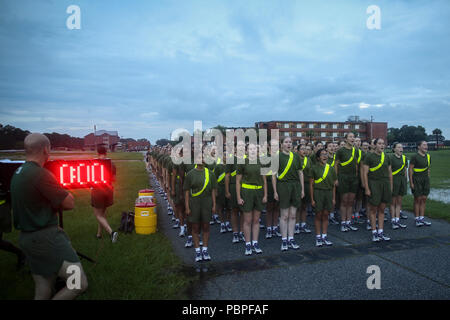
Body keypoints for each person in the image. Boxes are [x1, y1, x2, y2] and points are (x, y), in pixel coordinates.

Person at [11, 133, 88, 299]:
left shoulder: (18, 172)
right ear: (46, 149)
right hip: (47, 239)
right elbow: (69, 203)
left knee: (44, 284)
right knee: (78, 282)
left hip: (27, 239)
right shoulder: (40, 174)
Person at [184, 150, 217, 262]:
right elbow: (187, 192)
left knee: (206, 226)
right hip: (194, 203)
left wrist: (214, 205)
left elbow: (213, 190)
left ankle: (205, 250)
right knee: (195, 227)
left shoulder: (210, 174)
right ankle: (197, 251)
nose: (201, 159)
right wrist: (187, 207)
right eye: (199, 157)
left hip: (207, 202)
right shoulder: (190, 174)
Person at [272, 136, 304, 251]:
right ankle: (284, 240)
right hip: (283, 186)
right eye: (286, 142)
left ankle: (291, 238)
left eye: (290, 142)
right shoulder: (277, 156)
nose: (288, 144)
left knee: (293, 215)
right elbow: (273, 176)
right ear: (281, 144)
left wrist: (302, 189)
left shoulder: (296, 156)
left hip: (295, 186)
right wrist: (275, 191)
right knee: (284, 215)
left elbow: (300, 173)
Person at [236, 143, 267, 255]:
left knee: (256, 220)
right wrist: (239, 197)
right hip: (247, 192)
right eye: (250, 149)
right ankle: (248, 244)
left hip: (258, 192)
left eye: (255, 149)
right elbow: (238, 181)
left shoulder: (261, 162)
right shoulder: (242, 162)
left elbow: (264, 180)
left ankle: (255, 243)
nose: (253, 150)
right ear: (246, 151)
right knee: (247, 220)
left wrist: (265, 195)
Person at [362, 138, 392, 242]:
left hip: (385, 184)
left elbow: (389, 173)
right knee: (373, 209)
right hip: (373, 184)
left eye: (383, 143)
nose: (382, 145)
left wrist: (390, 186)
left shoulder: (387, 157)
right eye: (379, 143)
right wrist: (367, 188)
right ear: (374, 145)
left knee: (382, 209)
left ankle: (381, 231)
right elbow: (365, 173)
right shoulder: (369, 156)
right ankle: (374, 232)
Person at [91, 145, 118, 242]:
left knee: (98, 215)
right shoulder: (112, 163)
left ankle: (112, 233)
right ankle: (99, 234)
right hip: (109, 190)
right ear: (106, 152)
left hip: (97, 190)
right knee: (102, 213)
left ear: (97, 153)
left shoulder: (94, 163)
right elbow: (114, 179)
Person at [310, 149, 337, 246]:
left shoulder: (331, 168)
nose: (325, 156)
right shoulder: (314, 168)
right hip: (318, 192)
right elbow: (311, 185)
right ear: (318, 158)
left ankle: (324, 236)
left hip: (328, 193)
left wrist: (334, 198)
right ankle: (318, 237)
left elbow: (334, 185)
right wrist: (312, 199)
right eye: (322, 155)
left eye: (326, 154)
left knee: (326, 215)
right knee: (318, 215)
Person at [335, 133, 359, 232]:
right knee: (344, 201)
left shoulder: (356, 151)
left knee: (351, 201)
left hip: (353, 178)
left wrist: (356, 176)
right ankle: (343, 222)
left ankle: (349, 222)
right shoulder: (340, 151)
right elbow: (336, 165)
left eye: (353, 137)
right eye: (350, 137)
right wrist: (336, 178)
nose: (352, 139)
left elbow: (357, 165)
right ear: (345, 139)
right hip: (343, 177)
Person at [409, 141, 432, 227]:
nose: (426, 146)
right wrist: (411, 182)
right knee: (417, 199)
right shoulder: (414, 156)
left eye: (427, 145)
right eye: (424, 145)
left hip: (425, 180)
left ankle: (421, 218)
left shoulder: (428, 156)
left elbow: (428, 168)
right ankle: (417, 219)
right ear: (419, 147)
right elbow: (410, 169)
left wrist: (428, 178)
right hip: (417, 180)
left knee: (424, 199)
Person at [389, 143, 407, 229]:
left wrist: (405, 181)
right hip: (393, 181)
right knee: (393, 202)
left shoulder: (404, 158)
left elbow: (405, 170)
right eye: (399, 147)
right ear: (394, 149)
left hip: (401, 181)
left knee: (399, 202)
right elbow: (389, 171)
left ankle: (397, 220)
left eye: (402, 147)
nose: (401, 149)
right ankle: (393, 220)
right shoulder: (390, 157)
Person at [295, 144, 312, 234]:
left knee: (304, 206)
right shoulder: (295, 159)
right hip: (297, 184)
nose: (304, 151)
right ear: (297, 151)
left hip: (306, 184)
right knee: (298, 206)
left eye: (305, 149)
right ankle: (296, 225)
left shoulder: (308, 160)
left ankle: (303, 224)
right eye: (302, 149)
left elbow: (310, 173)